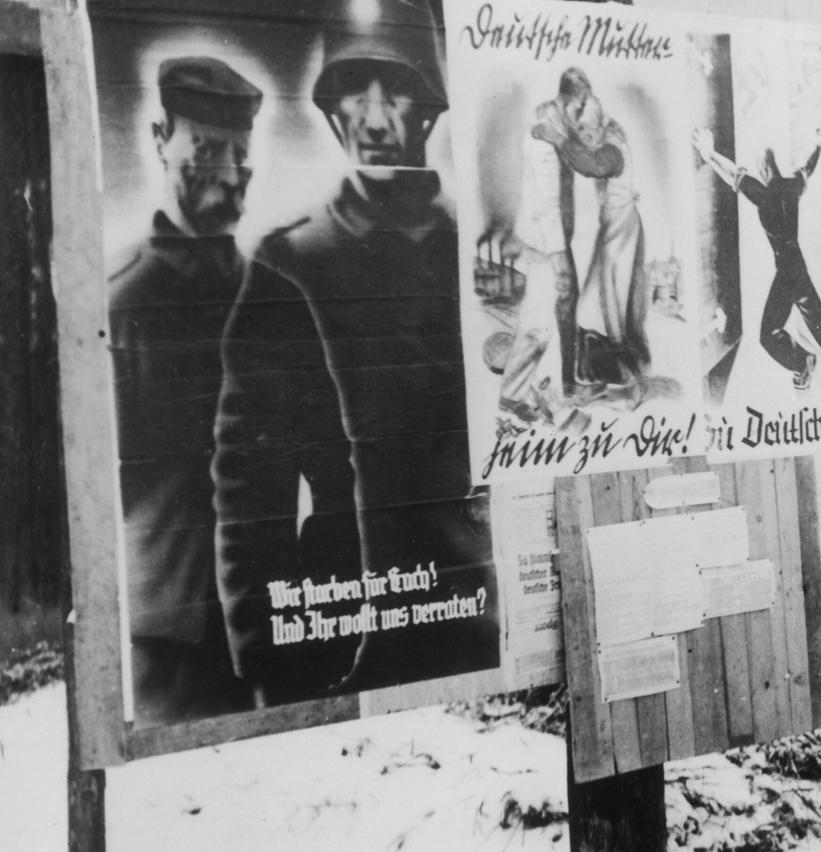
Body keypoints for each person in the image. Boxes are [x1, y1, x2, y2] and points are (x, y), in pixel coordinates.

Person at [215, 13, 498, 703]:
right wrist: (267, 654)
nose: (373, 118)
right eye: (352, 89)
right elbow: (252, 479)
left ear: (429, 105)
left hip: (493, 623)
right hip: (360, 647)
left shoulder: (482, 252)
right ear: (330, 107)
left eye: (394, 89)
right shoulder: (293, 264)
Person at [108, 56, 261, 724]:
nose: (225, 171)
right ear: (159, 139)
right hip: (174, 625)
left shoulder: (269, 293)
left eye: (237, 151)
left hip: (266, 617)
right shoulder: (128, 301)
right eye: (204, 148)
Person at [691, 124, 821, 391]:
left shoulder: (764, 195)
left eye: (756, 165)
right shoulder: (791, 187)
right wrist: (818, 147)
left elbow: (732, 175)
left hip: (788, 269)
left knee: (775, 332)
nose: (754, 170)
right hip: (792, 264)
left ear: (763, 167)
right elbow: (808, 168)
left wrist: (710, 155)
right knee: (812, 317)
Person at [513, 67, 650, 407]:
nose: (584, 133)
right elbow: (560, 184)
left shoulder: (612, 149)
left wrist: (560, 139)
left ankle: (623, 386)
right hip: (609, 233)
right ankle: (585, 382)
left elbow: (592, 165)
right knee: (589, 308)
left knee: (604, 311)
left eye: (590, 129)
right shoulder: (579, 130)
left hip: (620, 235)